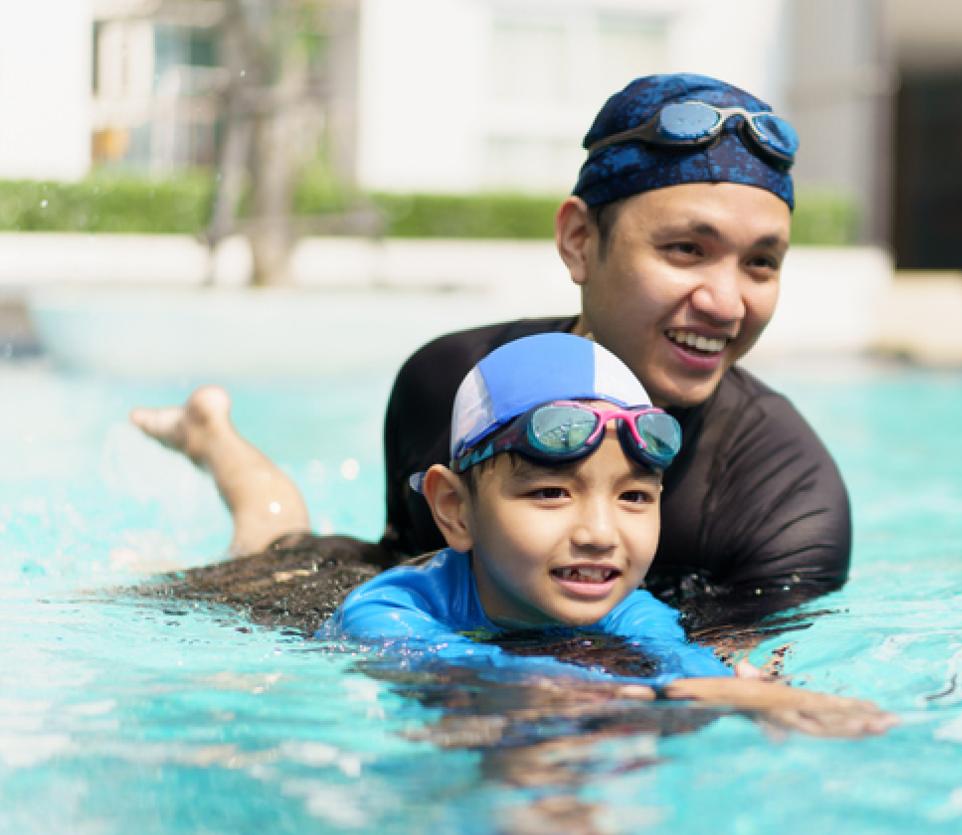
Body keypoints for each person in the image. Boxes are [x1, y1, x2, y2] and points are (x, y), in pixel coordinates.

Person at [132, 71, 849, 634]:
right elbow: (401, 571)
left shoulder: (785, 501)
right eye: (685, 249)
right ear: (578, 241)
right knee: (274, 556)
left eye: (760, 263)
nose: (727, 302)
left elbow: (718, 693)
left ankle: (210, 430)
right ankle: (216, 437)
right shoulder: (449, 381)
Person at [147, 332, 893, 737]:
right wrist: (677, 692)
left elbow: (681, 657)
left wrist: (744, 688)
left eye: (634, 495)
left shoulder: (622, 607)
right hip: (291, 591)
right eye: (550, 492)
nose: (600, 532)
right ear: (455, 509)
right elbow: (481, 679)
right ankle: (213, 436)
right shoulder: (383, 614)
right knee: (271, 532)